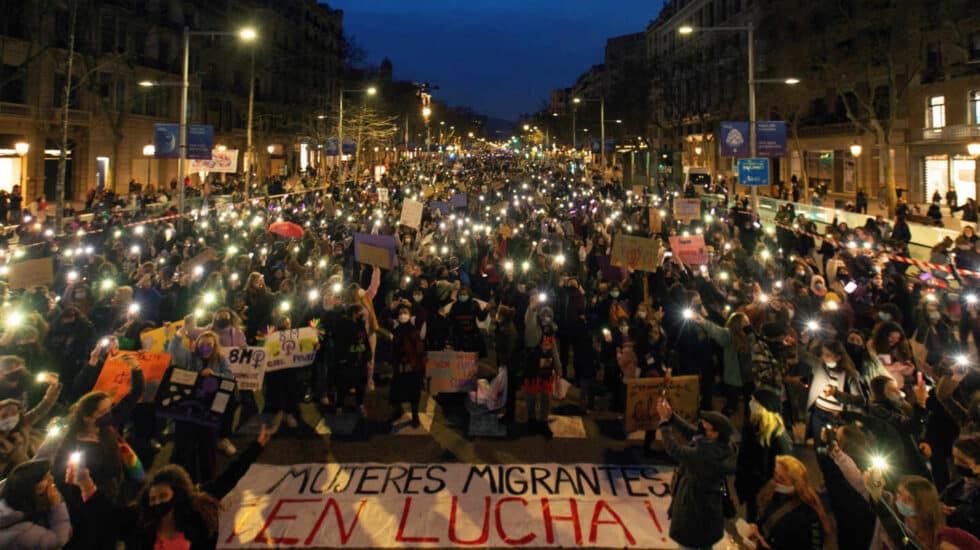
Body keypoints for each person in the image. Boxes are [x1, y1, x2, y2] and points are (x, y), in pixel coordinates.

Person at [656, 399, 736, 550]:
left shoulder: (705, 455)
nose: (701, 430)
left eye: (706, 429)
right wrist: (672, 416)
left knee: (688, 545)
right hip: (709, 511)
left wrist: (664, 423)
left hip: (693, 510)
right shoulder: (721, 445)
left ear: (715, 433)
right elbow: (692, 433)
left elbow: (674, 449)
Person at [865, 472, 980, 550]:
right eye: (899, 494)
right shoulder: (903, 526)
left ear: (923, 505)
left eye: (909, 499)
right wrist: (877, 494)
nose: (901, 500)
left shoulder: (948, 536)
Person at [745, 455, 831, 550]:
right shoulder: (776, 497)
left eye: (781, 479)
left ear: (796, 484)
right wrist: (757, 529)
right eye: (774, 475)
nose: (774, 482)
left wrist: (758, 546)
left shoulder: (805, 516)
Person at [735, 389, 793, 521]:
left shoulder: (779, 437)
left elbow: (785, 469)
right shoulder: (752, 425)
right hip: (752, 487)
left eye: (754, 401)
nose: (750, 403)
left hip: (769, 491)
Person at [0, 460, 71, 550]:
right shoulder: (25, 534)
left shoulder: (9, 500)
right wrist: (57, 506)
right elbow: (60, 541)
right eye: (47, 479)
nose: (52, 480)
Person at [389, 305, 425, 426]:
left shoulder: (414, 330)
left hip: (412, 367)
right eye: (400, 313)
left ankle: (415, 415)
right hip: (399, 367)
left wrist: (415, 365)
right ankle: (398, 411)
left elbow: (419, 350)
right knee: (397, 390)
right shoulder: (396, 329)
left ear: (410, 315)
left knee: (414, 392)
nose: (402, 315)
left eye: (405, 312)